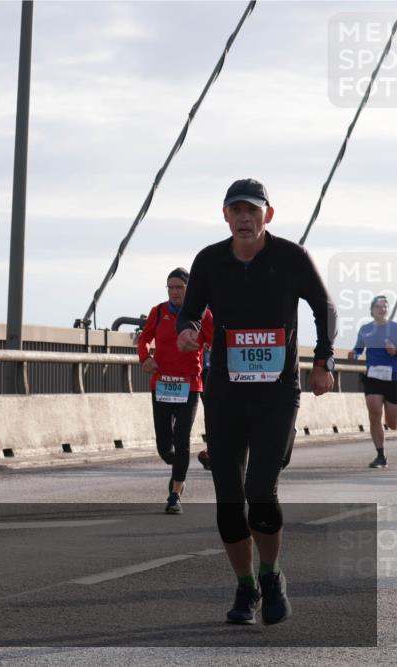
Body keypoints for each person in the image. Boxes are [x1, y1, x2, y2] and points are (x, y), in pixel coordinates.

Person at [176, 178, 336, 626]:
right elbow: (190, 311)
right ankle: (245, 587)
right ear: (225, 216)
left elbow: (325, 307)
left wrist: (323, 361)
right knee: (229, 500)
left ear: (268, 214)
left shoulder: (290, 257)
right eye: (236, 211)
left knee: (260, 492)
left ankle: (271, 574)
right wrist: (185, 330)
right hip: (226, 392)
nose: (245, 219)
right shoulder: (210, 260)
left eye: (253, 211)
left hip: (276, 393)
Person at [137, 268, 213, 514]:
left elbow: (216, 341)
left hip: (189, 385)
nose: (174, 292)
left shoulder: (204, 315)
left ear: (189, 289)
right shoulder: (158, 312)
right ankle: (178, 465)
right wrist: (144, 358)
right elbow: (144, 339)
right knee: (164, 446)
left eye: (179, 287)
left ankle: (175, 494)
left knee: (182, 439)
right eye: (170, 287)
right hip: (161, 383)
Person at [348, 295, 397, 469]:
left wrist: (395, 350)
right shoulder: (366, 329)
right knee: (374, 413)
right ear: (372, 309)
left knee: (393, 423)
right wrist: (353, 354)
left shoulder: (395, 328)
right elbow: (358, 348)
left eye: (385, 306)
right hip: (373, 377)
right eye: (379, 306)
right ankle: (380, 456)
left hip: (393, 378)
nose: (382, 309)